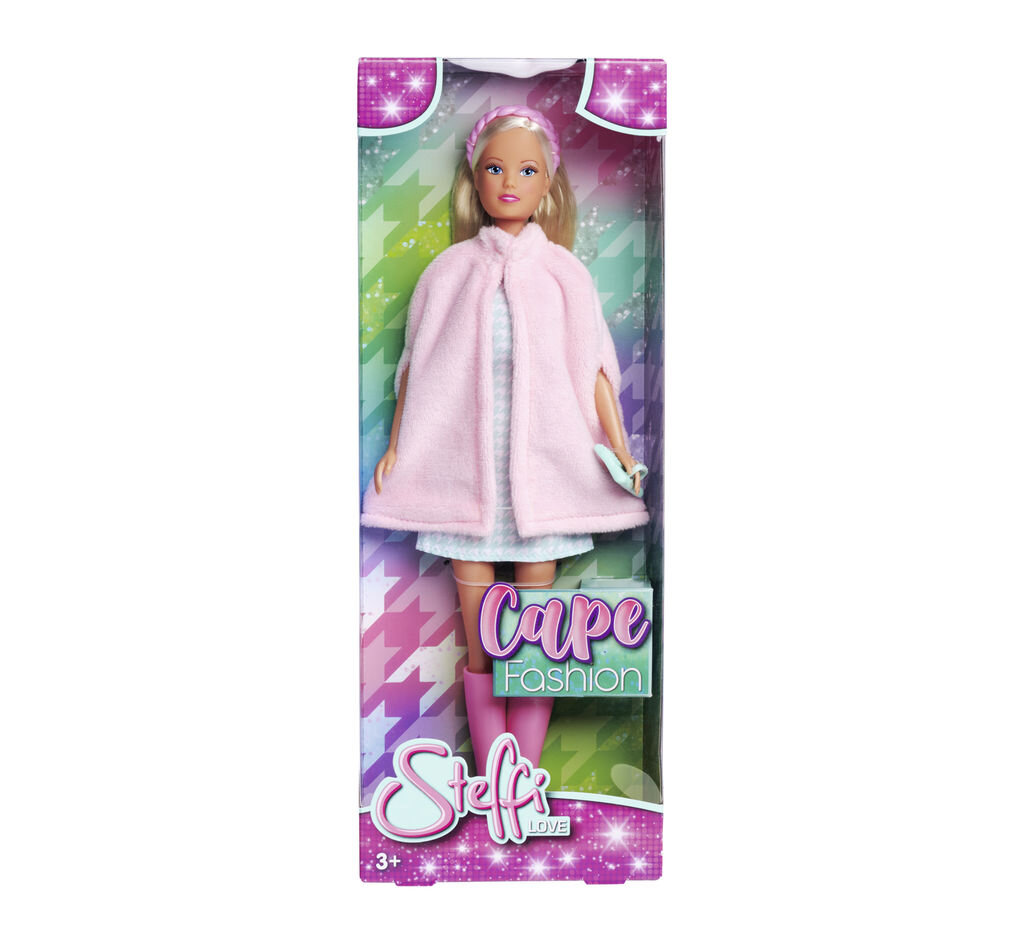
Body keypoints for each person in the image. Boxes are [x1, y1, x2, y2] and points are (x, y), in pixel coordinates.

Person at [361, 105, 648, 772]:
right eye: (495, 169)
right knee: (481, 639)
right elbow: (417, 370)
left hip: (543, 479)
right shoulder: (450, 271)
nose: (510, 182)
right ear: (475, 179)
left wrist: (621, 449)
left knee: (535, 636)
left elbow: (595, 370)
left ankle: (526, 774)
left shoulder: (564, 273)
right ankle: (497, 777)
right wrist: (399, 446)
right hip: (467, 478)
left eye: (526, 170)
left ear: (548, 184)